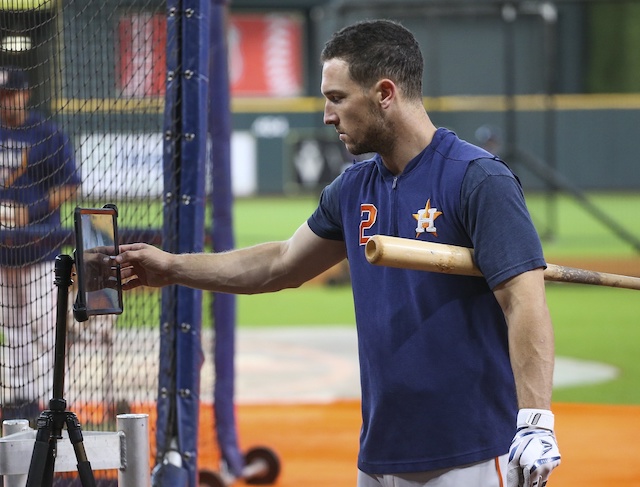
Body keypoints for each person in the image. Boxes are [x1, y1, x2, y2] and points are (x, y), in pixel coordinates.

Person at [116, 19, 561, 487]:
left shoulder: (477, 179)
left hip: (470, 455)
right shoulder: (352, 188)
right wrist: (169, 268)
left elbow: (524, 300)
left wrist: (536, 421)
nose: (328, 116)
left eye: (337, 98)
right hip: (380, 455)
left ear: (384, 92)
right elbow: (280, 264)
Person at [0, 66, 81, 420]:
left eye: (11, 94)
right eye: (2, 95)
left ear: (26, 93)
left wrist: (28, 212)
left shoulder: (47, 133)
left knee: (46, 329)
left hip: (41, 248)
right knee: (13, 330)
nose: (7, 101)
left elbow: (70, 185)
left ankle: (54, 403)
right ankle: (20, 405)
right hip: (3, 252)